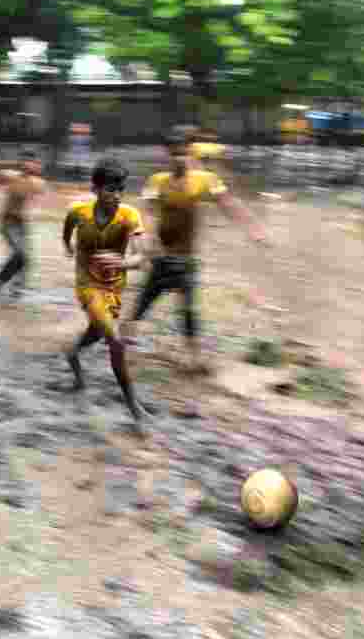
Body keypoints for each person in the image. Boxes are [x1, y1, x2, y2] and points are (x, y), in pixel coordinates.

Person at [125, 130, 269, 380]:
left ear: (190, 152)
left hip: (186, 259)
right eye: (174, 153)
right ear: (167, 154)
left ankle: (194, 359)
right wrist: (145, 240)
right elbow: (146, 213)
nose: (179, 157)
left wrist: (253, 228)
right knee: (142, 304)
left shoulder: (205, 180)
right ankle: (122, 345)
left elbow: (229, 204)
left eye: (183, 152)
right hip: (161, 256)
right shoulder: (157, 181)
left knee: (190, 310)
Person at [62, 157, 150, 433]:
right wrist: (68, 246)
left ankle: (74, 354)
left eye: (121, 189)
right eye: (110, 189)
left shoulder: (129, 216)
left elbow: (141, 257)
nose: (116, 195)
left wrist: (121, 262)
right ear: (96, 189)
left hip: (113, 287)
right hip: (87, 285)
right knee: (115, 339)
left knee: (99, 331)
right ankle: (133, 406)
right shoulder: (78, 212)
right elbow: (66, 232)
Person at [0, 150, 47, 303]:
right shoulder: (10, 175)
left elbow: (41, 199)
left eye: (33, 162)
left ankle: (17, 289)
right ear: (22, 163)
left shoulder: (38, 183)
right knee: (20, 254)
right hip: (7, 222)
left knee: (25, 258)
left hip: (22, 224)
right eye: (27, 161)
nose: (30, 164)